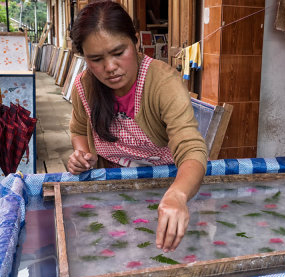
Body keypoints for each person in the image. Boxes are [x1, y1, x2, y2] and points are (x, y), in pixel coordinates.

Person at [68, 0, 207, 253]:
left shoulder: (163, 83)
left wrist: (177, 195)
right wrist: (82, 154)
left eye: (119, 52)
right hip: (111, 184)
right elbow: (78, 128)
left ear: (136, 43)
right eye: (96, 59)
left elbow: (191, 148)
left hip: (165, 185)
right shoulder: (84, 86)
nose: (110, 68)